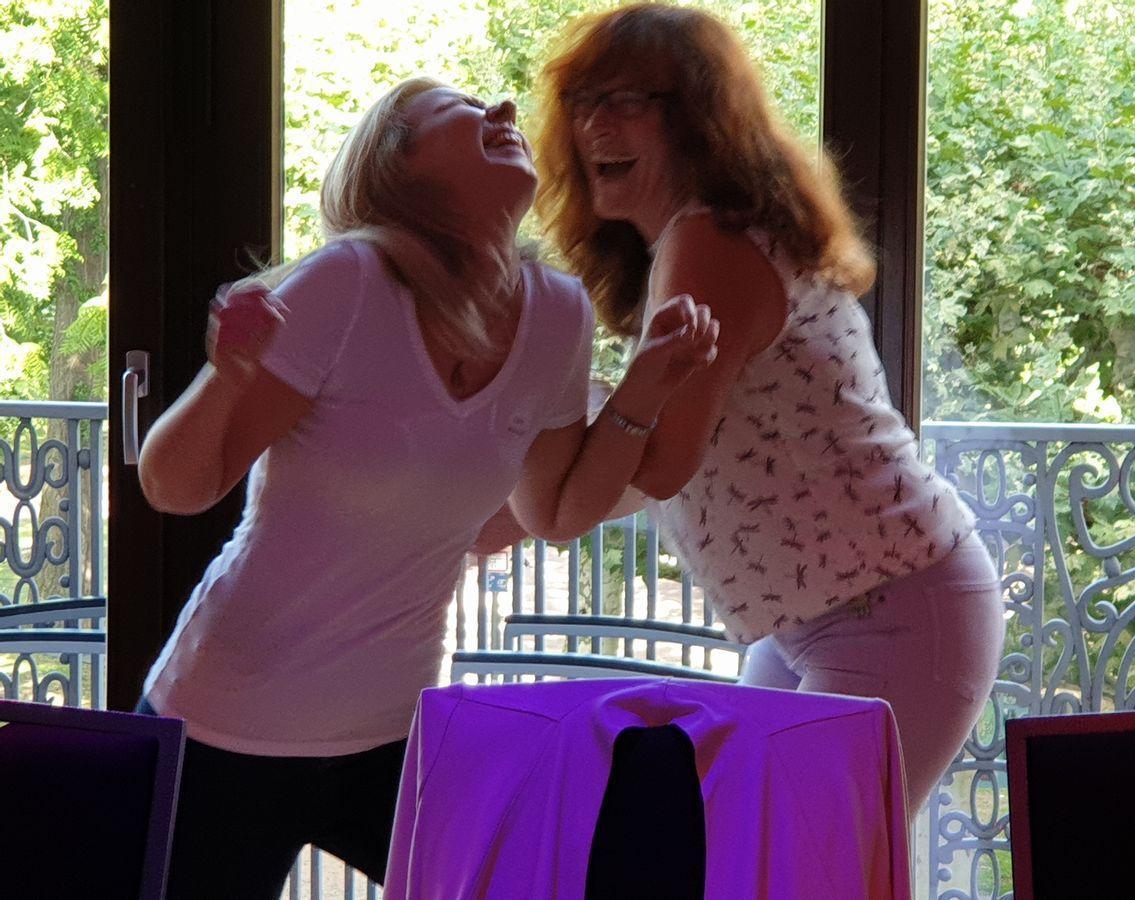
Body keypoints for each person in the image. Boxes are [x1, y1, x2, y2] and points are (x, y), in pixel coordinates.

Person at [135, 75, 717, 898]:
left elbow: (556, 511)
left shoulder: (558, 313)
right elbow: (177, 487)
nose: (503, 111)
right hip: (224, 725)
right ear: (398, 163)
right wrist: (225, 374)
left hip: (394, 733)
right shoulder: (347, 284)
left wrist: (647, 387)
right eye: (464, 109)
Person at [534, 2, 1004, 820]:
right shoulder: (685, 245)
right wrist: (517, 507)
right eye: (583, 101)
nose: (595, 124)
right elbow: (654, 466)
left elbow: (658, 463)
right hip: (815, 618)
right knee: (756, 857)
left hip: (891, 609)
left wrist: (544, 477)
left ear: (698, 121)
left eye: (628, 100)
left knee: (808, 863)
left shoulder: (707, 243)